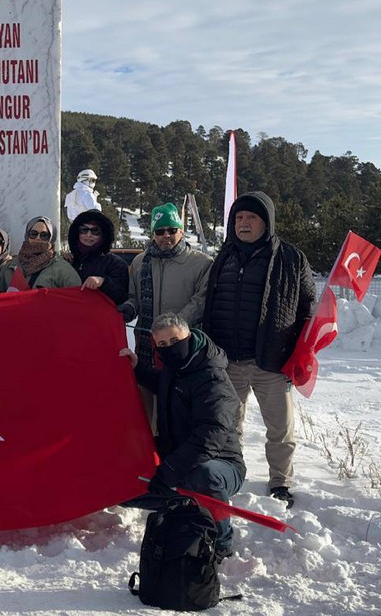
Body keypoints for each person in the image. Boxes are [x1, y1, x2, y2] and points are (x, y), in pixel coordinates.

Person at [202, 191, 315, 508]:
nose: (243, 223)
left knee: (280, 429)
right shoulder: (223, 257)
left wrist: (299, 349)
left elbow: (308, 308)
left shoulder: (291, 259)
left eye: (251, 217)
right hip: (228, 361)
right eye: (238, 218)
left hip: (271, 362)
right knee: (228, 426)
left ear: (266, 222)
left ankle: (281, 481)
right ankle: (232, 474)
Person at [120, 313, 245, 560]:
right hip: (179, 459)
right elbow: (164, 385)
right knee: (124, 483)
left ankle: (222, 541)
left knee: (204, 475)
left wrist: (168, 472)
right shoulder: (175, 369)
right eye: (162, 345)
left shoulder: (212, 378)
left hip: (221, 465)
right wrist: (137, 368)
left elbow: (210, 437)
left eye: (175, 340)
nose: (170, 348)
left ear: (189, 336)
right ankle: (182, 502)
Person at [124, 203, 213, 367]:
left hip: (184, 346)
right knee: (146, 389)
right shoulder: (140, 262)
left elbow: (201, 302)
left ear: (181, 231)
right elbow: (134, 297)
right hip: (146, 347)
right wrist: (129, 308)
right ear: (153, 234)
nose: (166, 235)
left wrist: (173, 328)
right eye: (160, 231)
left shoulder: (202, 263)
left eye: (172, 230)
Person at [0, 216, 81, 290]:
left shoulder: (62, 269)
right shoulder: (10, 266)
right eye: (33, 234)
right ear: (27, 235)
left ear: (51, 238)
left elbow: (76, 298)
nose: (38, 238)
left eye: (44, 235)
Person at [67, 209, 130, 307]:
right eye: (84, 230)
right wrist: (62, 264)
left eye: (95, 231)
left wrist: (103, 282)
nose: (88, 235)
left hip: (100, 319)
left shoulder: (116, 264)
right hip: (70, 317)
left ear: (103, 234)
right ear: (77, 233)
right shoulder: (69, 261)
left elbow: (122, 297)